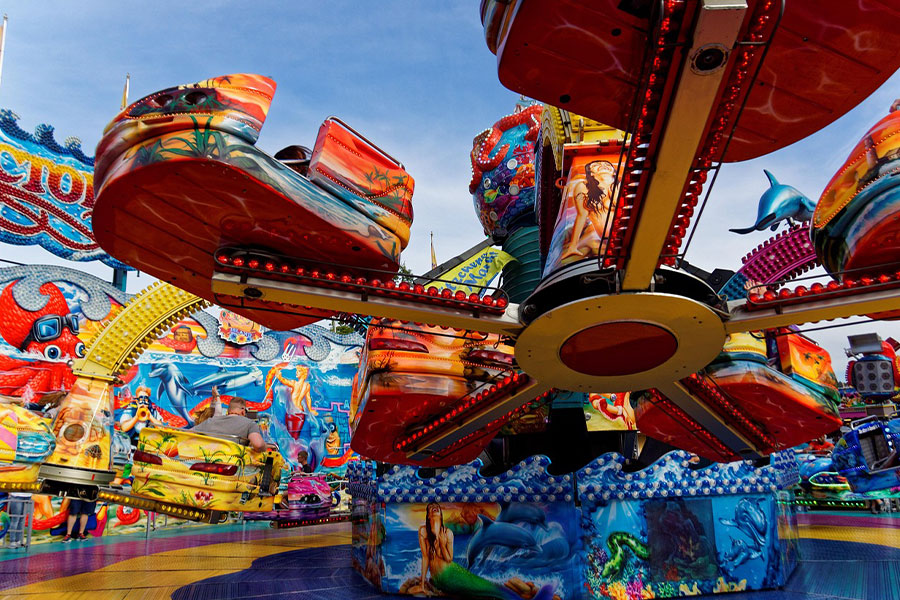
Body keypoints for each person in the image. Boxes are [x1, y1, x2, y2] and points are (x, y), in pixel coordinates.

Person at [561, 160, 618, 260]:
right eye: (596, 165)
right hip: (603, 238)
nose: (603, 166)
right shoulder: (583, 187)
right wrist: (573, 246)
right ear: (591, 172)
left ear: (613, 171)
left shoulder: (619, 186)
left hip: (623, 235)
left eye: (607, 164)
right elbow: (581, 216)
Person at [190, 396, 266, 451]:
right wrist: (264, 447)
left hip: (206, 462)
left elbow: (187, 433)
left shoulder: (211, 421)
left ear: (228, 411)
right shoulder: (250, 424)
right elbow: (258, 445)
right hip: (232, 464)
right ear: (243, 411)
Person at [419, 502, 454, 592]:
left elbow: (449, 559)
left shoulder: (448, 533)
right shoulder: (423, 532)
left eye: (437, 506)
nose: (434, 507)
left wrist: (442, 545)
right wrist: (422, 584)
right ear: (428, 516)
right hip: (434, 580)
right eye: (431, 507)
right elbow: (425, 558)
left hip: (447, 579)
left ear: (441, 515)